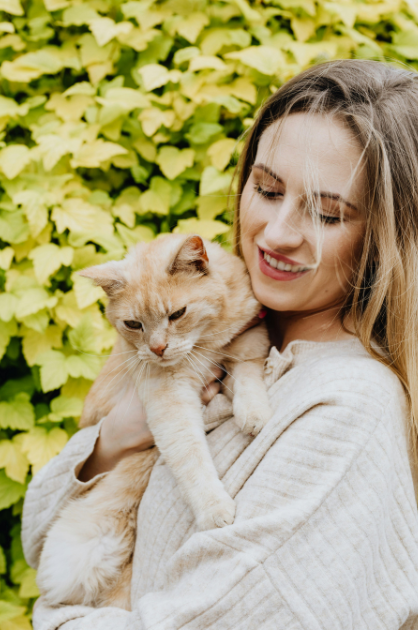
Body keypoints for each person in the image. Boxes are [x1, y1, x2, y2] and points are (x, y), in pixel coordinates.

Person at [22, 59, 418, 629]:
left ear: (384, 238)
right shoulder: (210, 338)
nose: (277, 233)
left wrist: (56, 619)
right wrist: (114, 438)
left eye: (327, 214)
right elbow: (39, 533)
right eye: (267, 188)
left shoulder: (344, 409)